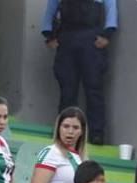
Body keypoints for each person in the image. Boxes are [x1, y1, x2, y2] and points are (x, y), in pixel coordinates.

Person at [40, 1, 115, 144]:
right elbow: (50, 9)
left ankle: (96, 133)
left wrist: (108, 34)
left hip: (91, 40)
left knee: (94, 89)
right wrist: (49, 36)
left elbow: (111, 8)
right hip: (67, 38)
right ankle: (64, 132)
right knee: (67, 90)